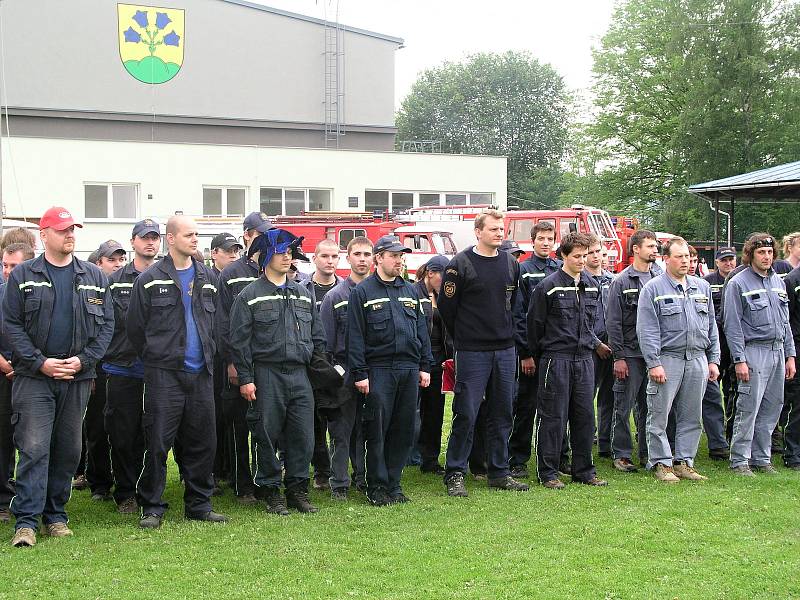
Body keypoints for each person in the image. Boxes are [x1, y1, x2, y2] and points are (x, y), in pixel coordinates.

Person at [3, 207, 113, 547]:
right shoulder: (23, 275)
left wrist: (83, 361)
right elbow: (10, 325)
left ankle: (55, 516)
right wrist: (40, 363)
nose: (70, 235)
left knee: (67, 450)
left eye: (73, 229)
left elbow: (107, 325)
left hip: (76, 378)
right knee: (35, 448)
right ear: (45, 235)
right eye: (63, 229)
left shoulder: (93, 276)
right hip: (35, 378)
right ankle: (26, 522)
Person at [127, 215, 227, 528]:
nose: (195, 240)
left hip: (201, 374)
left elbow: (218, 323)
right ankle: (153, 507)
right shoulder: (151, 278)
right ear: (171, 239)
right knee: (157, 442)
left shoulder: (208, 276)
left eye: (197, 234)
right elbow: (135, 327)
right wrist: (158, 356)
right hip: (164, 374)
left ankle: (199, 504)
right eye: (188, 235)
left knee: (202, 441)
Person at [230, 229, 326, 515]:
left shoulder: (302, 292)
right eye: (282, 252)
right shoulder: (249, 296)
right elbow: (239, 342)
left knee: (303, 435)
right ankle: (271, 490)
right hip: (266, 375)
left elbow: (317, 335)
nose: (288, 257)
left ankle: (297, 490)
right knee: (265, 434)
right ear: (266, 256)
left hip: (300, 375)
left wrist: (318, 370)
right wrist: (246, 379)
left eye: (290, 253)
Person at [439, 209, 528, 497]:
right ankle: (455, 473)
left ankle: (499, 472)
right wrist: (465, 337)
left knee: (503, 412)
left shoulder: (511, 264)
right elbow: (447, 309)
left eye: (501, 229)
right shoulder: (460, 265)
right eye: (493, 229)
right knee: (466, 413)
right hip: (472, 351)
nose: (499, 233)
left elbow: (515, 305)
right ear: (478, 232)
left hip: (504, 350)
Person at [347, 235, 433, 506]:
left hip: (408, 369)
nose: (399, 260)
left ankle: (394, 485)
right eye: (394, 255)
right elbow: (356, 336)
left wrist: (424, 365)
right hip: (379, 370)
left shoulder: (410, 290)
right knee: (378, 430)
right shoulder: (363, 292)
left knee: (403, 429)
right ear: (379, 258)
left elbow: (421, 331)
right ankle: (377, 486)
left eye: (401, 256)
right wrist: (360, 373)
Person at [527, 232, 608, 489]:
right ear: (563, 255)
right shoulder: (548, 286)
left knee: (585, 416)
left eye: (585, 256)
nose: (582, 261)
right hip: (556, 358)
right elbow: (534, 326)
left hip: (584, 359)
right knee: (553, 416)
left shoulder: (591, 285)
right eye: (577, 256)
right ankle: (548, 472)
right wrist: (543, 356)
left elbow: (590, 324)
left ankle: (584, 470)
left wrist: (594, 345)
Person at [637, 237, 720, 483]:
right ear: (666, 259)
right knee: (659, 414)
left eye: (687, 257)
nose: (685, 261)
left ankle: (684, 462)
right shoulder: (653, 288)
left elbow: (711, 325)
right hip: (668, 359)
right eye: (679, 257)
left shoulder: (701, 287)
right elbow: (647, 329)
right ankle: (661, 463)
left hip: (696, 359)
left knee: (691, 415)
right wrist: (654, 362)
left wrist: (713, 360)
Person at [723, 233, 796, 476]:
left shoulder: (778, 282)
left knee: (772, 407)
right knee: (748, 408)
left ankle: (761, 458)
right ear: (750, 254)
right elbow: (732, 325)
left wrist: (790, 355)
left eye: (769, 252)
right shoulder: (738, 283)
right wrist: (739, 360)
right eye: (761, 252)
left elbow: (785, 323)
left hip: (777, 351)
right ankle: (740, 460)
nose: (766, 257)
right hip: (753, 352)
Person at [102, 220, 161, 514]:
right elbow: (105, 324)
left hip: (157, 369)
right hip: (123, 367)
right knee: (123, 433)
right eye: (144, 238)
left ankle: (149, 489)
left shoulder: (165, 277)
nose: (150, 243)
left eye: (155, 238)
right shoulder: (115, 281)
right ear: (133, 242)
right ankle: (125, 492)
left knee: (155, 433)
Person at [216, 212, 274, 505]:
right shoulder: (231, 273)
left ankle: (266, 481)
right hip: (241, 362)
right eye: (260, 233)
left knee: (266, 426)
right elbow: (224, 323)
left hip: (269, 363)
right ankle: (243, 485)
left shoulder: (274, 268)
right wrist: (232, 362)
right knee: (239, 427)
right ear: (247, 236)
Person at [319, 236, 373, 499]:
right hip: (343, 372)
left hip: (373, 372)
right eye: (357, 254)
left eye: (367, 254)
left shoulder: (378, 292)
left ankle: (363, 478)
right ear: (348, 258)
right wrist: (332, 377)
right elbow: (325, 344)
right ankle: (339, 483)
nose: (362, 259)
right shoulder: (334, 297)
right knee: (341, 432)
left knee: (366, 430)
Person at [508, 221, 561, 479]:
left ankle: (559, 456)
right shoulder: (523, 270)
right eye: (541, 238)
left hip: (557, 350)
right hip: (533, 350)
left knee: (557, 407)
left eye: (550, 239)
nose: (546, 243)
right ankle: (517, 458)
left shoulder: (560, 269)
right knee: (526, 406)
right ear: (533, 241)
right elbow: (519, 314)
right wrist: (526, 352)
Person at [606, 230, 661, 472]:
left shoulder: (660, 278)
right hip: (630, 354)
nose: (655, 250)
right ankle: (622, 454)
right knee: (623, 406)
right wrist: (619, 357)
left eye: (655, 246)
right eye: (649, 246)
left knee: (651, 407)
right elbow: (613, 322)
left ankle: (648, 453)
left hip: (655, 355)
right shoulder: (621, 281)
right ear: (635, 249)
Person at [82, 240, 126, 503]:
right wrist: (90, 369)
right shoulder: (90, 290)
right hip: (96, 367)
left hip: (121, 367)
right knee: (97, 426)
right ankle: (99, 482)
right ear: (99, 263)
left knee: (123, 428)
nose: (117, 264)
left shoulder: (129, 286)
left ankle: (124, 480)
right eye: (112, 260)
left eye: (121, 259)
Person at [301, 239, 342, 490]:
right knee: (314, 421)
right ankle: (320, 471)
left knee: (337, 418)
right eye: (325, 256)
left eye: (334, 256)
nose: (330, 261)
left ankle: (340, 468)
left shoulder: (346, 290)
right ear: (314, 258)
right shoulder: (302, 289)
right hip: (311, 363)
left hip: (337, 363)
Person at [0, 243, 34, 524]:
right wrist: (7, 366)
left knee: (31, 441)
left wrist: (25, 364)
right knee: (2, 439)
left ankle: (29, 497)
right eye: (5, 265)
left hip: (32, 374)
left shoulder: (37, 293)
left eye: (14, 266)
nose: (8, 271)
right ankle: (2, 499)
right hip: (5, 373)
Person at [208, 232, 242, 491]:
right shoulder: (207, 279)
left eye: (236, 250)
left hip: (229, 354)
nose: (233, 255)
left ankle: (231, 469)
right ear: (214, 253)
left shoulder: (236, 278)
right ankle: (214, 468)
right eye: (228, 250)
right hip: (211, 358)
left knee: (231, 416)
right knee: (213, 416)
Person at [413, 255, 453, 475]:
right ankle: (409, 454)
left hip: (439, 362)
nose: (446, 281)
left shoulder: (445, 296)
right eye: (443, 276)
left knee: (435, 413)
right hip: (418, 361)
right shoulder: (414, 293)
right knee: (411, 411)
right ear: (431, 273)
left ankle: (430, 459)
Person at [702, 247, 737, 459]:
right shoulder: (707, 282)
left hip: (733, 344)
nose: (728, 264)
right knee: (711, 393)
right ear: (717, 262)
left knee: (733, 391)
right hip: (715, 343)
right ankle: (717, 442)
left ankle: (730, 435)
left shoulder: (740, 279)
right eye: (724, 260)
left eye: (731, 259)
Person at [585, 237, 614, 458]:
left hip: (612, 346)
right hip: (589, 347)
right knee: (586, 395)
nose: (596, 256)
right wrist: (595, 343)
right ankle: (586, 436)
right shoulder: (581, 281)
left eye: (599, 252)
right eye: (592, 252)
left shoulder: (613, 281)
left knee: (610, 395)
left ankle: (605, 441)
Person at [783, 261, 800, 470]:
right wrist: (791, 355)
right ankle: (793, 453)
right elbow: (786, 319)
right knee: (797, 403)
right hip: (798, 345)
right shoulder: (793, 280)